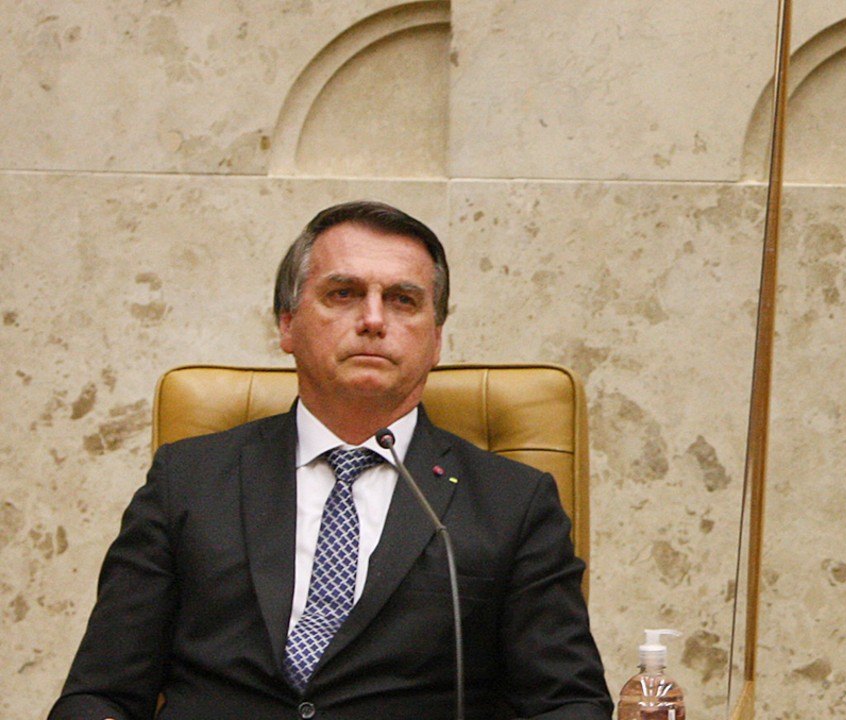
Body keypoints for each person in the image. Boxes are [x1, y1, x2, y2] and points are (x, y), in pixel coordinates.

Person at [48, 201, 612, 720]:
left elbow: (567, 703)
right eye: (343, 294)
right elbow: (101, 693)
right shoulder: (188, 480)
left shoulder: (514, 502)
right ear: (287, 323)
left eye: (403, 300)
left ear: (436, 339)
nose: (374, 320)